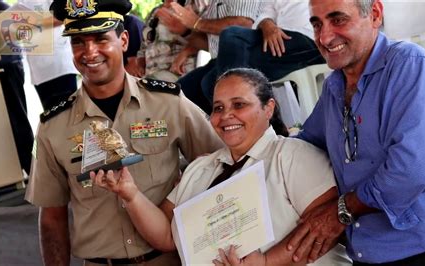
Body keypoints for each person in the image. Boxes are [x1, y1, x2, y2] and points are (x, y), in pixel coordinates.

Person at [24, 0, 223, 265]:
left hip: (168, 259)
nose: (89, 52)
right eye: (78, 42)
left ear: (124, 40)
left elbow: (220, 164)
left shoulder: (168, 103)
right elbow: (52, 216)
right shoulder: (53, 126)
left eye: (100, 39)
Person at [91, 68, 351, 265]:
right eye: (218, 107)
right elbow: (167, 238)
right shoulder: (201, 169)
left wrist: (267, 262)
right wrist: (131, 194)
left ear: (268, 107)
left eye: (239, 105)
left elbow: (326, 230)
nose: (226, 115)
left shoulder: (293, 156)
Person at [287, 0, 425, 265]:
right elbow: (306, 145)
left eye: (338, 20)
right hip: (368, 255)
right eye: (317, 24)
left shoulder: (410, 66)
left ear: (375, 14)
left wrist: (340, 212)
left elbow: (412, 171)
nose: (324, 36)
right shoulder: (335, 87)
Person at [214, 0, 325, 97]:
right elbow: (265, 14)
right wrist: (267, 24)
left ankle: (241, 106)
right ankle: (256, 113)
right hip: (279, 43)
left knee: (231, 35)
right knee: (206, 79)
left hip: (308, 40)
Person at [169, 0, 261, 114]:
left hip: (247, 56)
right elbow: (211, 39)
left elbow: (242, 24)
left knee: (211, 87)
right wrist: (186, 36)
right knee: (178, 93)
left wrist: (197, 23)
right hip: (220, 60)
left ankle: (270, 126)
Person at [0, 0, 34, 174]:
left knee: (18, 118)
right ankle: (13, 170)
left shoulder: (2, 7)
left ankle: (32, 168)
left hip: (9, 69)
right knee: (1, 125)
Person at [20, 0, 79, 110]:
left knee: (69, 113)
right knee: (51, 116)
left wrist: (33, 24)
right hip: (38, 70)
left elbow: (63, 16)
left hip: (58, 65)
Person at [135, 0, 205, 82]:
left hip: (181, 75)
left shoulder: (194, 4)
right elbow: (144, 45)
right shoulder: (154, 11)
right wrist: (140, 62)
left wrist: (186, 47)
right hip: (151, 77)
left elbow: (209, 39)